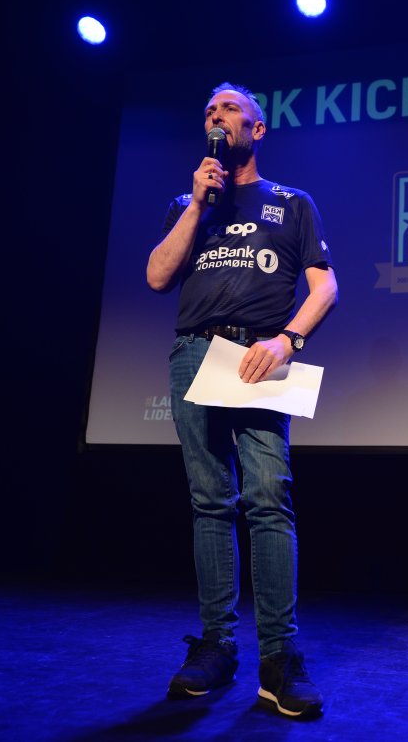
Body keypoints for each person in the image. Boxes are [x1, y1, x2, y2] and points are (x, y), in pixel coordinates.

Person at [146, 82, 338, 718]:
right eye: (209, 109)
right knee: (210, 501)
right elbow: (157, 276)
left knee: (268, 498)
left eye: (229, 108)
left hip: (259, 357)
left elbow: (325, 287)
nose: (216, 115)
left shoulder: (292, 203)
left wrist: (288, 340)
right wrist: (197, 205)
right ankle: (217, 647)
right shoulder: (188, 203)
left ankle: (279, 658)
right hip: (195, 352)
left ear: (257, 129)